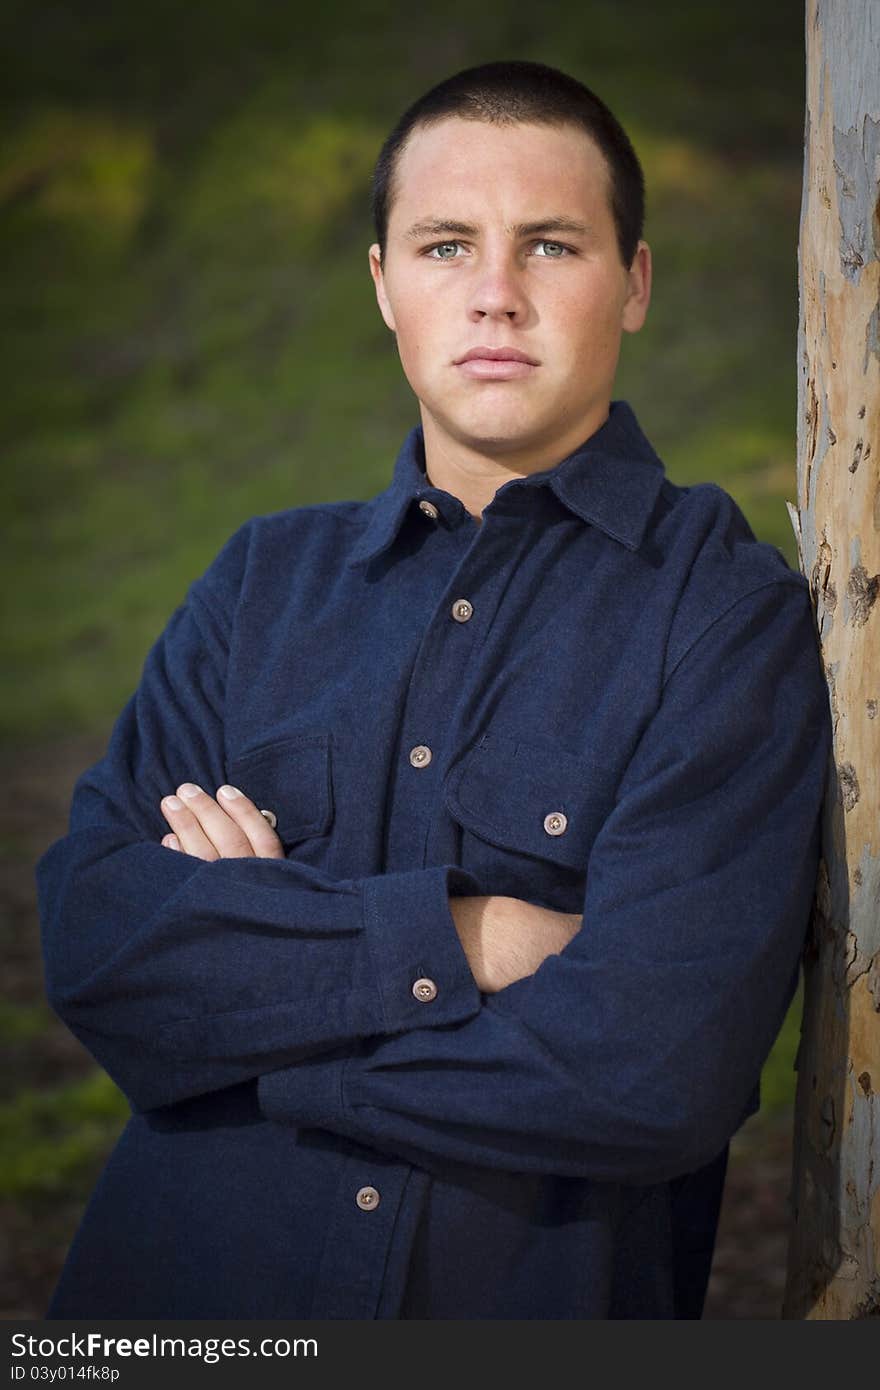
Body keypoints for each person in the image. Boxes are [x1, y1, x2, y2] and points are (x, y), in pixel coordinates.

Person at [36, 59, 830, 1320]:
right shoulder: (260, 582)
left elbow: (652, 1066)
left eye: (552, 245)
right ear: (382, 287)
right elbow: (99, 942)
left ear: (632, 283)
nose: (496, 296)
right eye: (448, 245)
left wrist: (251, 1030)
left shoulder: (722, 615)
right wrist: (469, 938)